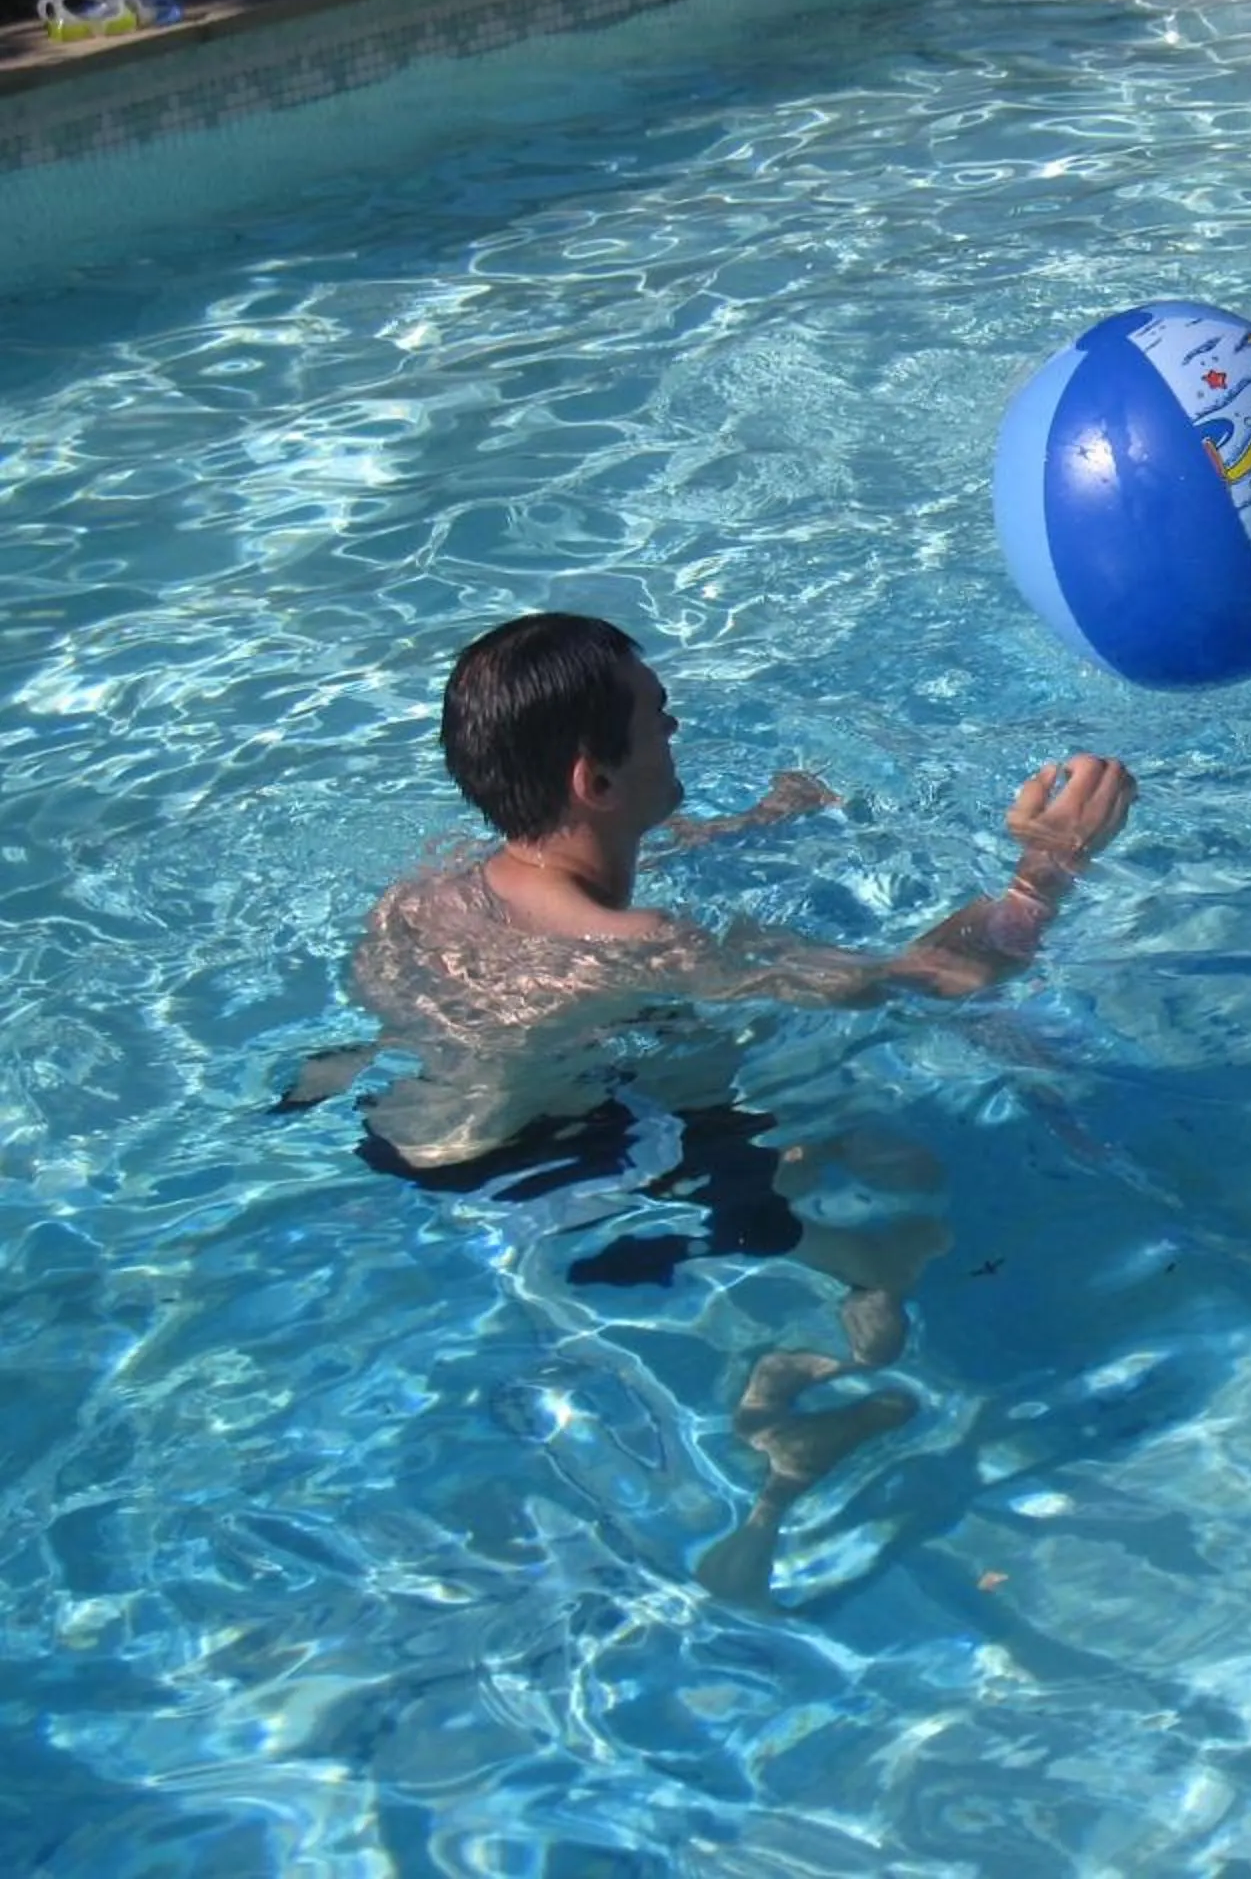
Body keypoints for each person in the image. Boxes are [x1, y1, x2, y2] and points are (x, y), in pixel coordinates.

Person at [337, 611, 1137, 1599]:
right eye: (659, 720)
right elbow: (925, 980)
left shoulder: (431, 888)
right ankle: (786, 1428)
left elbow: (564, 894)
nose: (675, 733)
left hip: (402, 1129)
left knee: (697, 1060)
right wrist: (1047, 868)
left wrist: (754, 824)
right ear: (593, 779)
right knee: (902, 1203)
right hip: (543, 1167)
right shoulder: (640, 944)